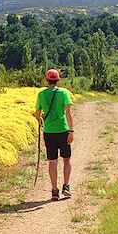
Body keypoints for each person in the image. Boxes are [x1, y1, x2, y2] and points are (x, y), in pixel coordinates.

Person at [34, 68, 74, 200]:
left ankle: (54, 190)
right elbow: (68, 113)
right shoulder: (64, 93)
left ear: (47, 79)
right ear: (58, 79)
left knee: (52, 162)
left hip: (49, 132)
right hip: (62, 130)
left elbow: (37, 114)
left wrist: (41, 121)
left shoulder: (41, 94)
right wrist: (71, 131)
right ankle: (66, 186)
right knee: (66, 159)